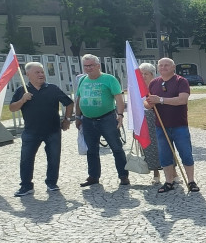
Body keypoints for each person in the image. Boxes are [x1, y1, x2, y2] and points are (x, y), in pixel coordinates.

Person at [9, 62, 73, 196]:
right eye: (37, 72)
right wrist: (22, 100)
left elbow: (69, 103)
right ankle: (26, 186)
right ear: (28, 74)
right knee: (26, 159)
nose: (41, 74)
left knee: (54, 158)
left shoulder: (53, 88)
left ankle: (51, 183)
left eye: (42, 72)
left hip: (53, 131)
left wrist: (66, 119)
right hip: (31, 132)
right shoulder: (22, 90)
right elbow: (12, 108)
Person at [75, 54, 129, 188]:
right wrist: (77, 117)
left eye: (91, 65)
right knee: (91, 150)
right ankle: (93, 176)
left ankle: (123, 175)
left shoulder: (109, 79)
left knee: (116, 148)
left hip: (107, 118)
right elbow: (78, 99)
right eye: (86, 66)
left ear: (98, 65)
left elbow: (119, 98)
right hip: (87, 120)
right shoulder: (82, 80)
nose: (88, 68)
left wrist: (120, 115)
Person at [145, 57, 198, 193]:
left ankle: (191, 181)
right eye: (160, 65)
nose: (163, 67)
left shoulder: (181, 81)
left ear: (173, 67)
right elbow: (147, 103)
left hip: (179, 125)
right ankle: (169, 182)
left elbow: (182, 100)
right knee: (165, 155)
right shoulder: (154, 83)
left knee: (186, 154)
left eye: (166, 65)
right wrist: (150, 103)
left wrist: (160, 100)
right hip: (161, 126)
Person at [137, 63, 162, 185]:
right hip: (144, 119)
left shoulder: (158, 85)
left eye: (146, 74)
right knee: (149, 147)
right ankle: (156, 173)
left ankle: (173, 172)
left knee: (165, 145)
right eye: (141, 74)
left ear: (152, 74)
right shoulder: (137, 89)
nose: (143, 76)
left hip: (159, 117)